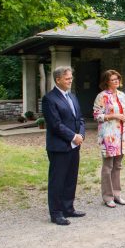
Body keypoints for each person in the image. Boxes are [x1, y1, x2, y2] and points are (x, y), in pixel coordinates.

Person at [42, 66, 86, 226]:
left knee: (70, 179)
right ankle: (56, 213)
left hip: (75, 145)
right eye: (67, 78)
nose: (70, 81)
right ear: (58, 79)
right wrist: (73, 136)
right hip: (59, 147)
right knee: (57, 181)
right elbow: (55, 124)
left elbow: (80, 118)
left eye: (71, 78)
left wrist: (81, 135)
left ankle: (68, 208)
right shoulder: (49, 99)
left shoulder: (72, 97)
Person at [93, 70, 125, 208]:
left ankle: (117, 195)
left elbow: (124, 112)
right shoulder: (102, 96)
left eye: (117, 79)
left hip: (121, 135)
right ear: (107, 81)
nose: (116, 81)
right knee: (108, 166)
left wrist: (124, 116)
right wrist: (113, 116)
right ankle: (107, 197)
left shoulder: (122, 95)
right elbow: (97, 116)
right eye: (113, 79)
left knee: (118, 166)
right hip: (108, 135)